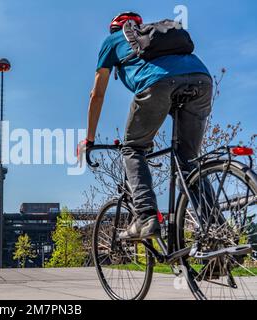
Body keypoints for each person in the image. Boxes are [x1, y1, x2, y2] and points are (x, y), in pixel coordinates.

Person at [79, 12, 213, 240]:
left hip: (157, 83)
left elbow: (97, 94)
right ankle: (216, 233)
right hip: (202, 80)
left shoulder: (112, 40)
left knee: (132, 149)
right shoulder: (158, 35)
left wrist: (89, 140)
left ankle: (145, 216)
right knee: (188, 162)